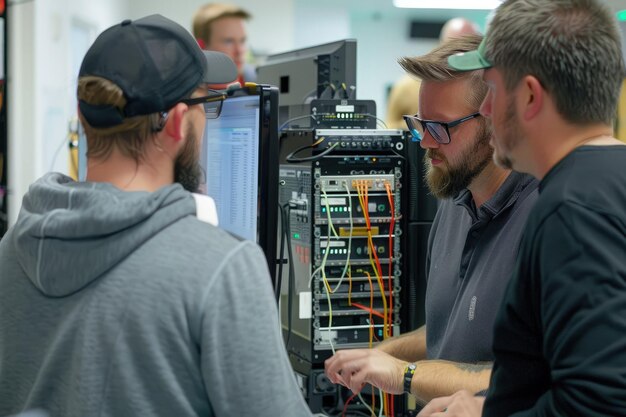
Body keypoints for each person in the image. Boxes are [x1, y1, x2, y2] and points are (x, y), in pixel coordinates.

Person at [0, 14, 312, 417]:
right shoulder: (220, 268)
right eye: (207, 107)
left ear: (83, 116)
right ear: (178, 122)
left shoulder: (12, 247)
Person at [418, 0, 626, 415]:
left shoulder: (573, 209)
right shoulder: (607, 181)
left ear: (529, 95)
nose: (488, 112)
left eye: (492, 90)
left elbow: (597, 404)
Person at [324, 34, 538, 404]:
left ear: (492, 120)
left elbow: (531, 380)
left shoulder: (543, 217)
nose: (424, 142)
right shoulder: (455, 198)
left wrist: (405, 374)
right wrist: (382, 354)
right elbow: (448, 331)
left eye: (440, 128)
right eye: (419, 124)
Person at [385, 17, 480, 129]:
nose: (459, 54)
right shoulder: (405, 86)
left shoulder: (486, 84)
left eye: (468, 48)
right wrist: (420, 125)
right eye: (453, 47)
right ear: (442, 45)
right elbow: (389, 127)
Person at [192, 2, 255, 87]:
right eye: (228, 41)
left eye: (242, 41)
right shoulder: (185, 94)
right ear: (201, 46)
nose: (239, 51)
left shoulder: (259, 80)